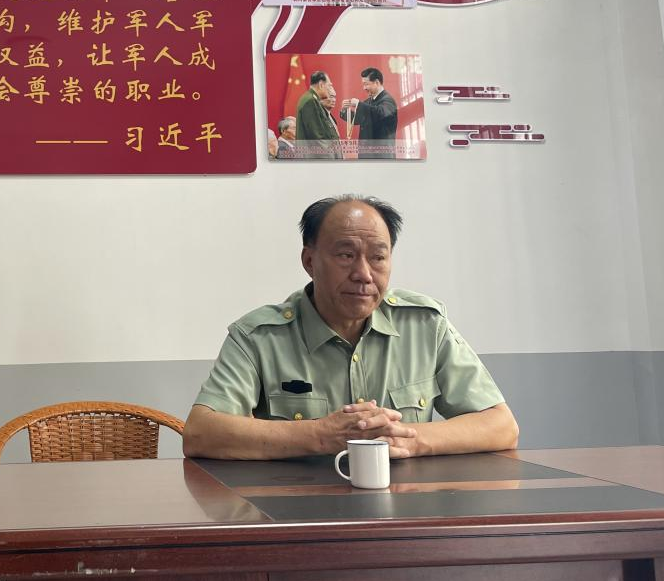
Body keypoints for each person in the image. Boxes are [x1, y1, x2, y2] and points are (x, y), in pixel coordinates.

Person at [182, 196, 518, 460]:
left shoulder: (424, 325)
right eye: (346, 255)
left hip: (406, 510)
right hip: (297, 509)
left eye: (378, 257)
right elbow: (201, 433)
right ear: (310, 261)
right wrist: (320, 435)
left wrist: (407, 440)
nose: (364, 274)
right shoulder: (258, 337)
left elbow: (501, 426)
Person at [340, 67, 399, 159]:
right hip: (366, 154)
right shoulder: (368, 102)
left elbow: (379, 114)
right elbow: (357, 118)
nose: (364, 88)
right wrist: (345, 110)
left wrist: (358, 104)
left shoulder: (388, 100)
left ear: (377, 82)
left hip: (382, 156)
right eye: (363, 84)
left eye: (366, 84)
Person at [294, 71, 342, 158]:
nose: (330, 90)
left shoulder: (311, 98)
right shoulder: (311, 101)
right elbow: (318, 137)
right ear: (321, 85)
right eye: (329, 86)